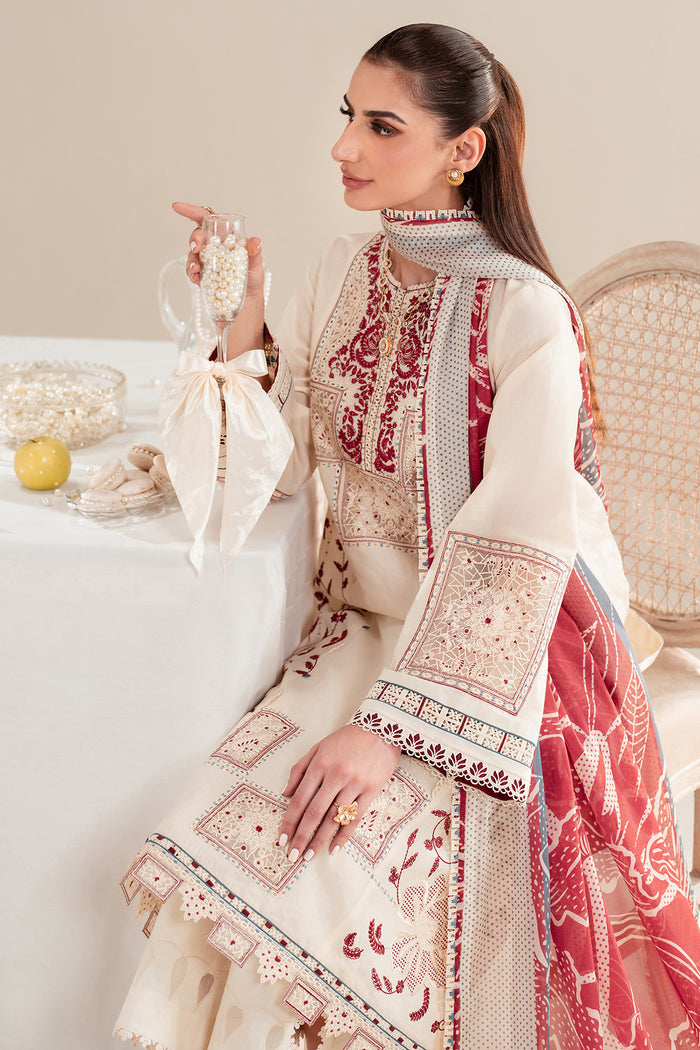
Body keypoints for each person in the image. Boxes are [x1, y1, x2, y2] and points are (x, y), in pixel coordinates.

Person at [115, 23, 700, 1050]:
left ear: (462, 150)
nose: (343, 147)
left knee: (325, 885)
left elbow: (518, 544)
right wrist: (243, 321)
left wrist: (389, 731)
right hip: (354, 634)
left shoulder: (525, 312)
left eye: (382, 127)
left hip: (499, 657)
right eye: (349, 116)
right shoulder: (342, 274)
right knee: (224, 849)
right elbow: (281, 471)